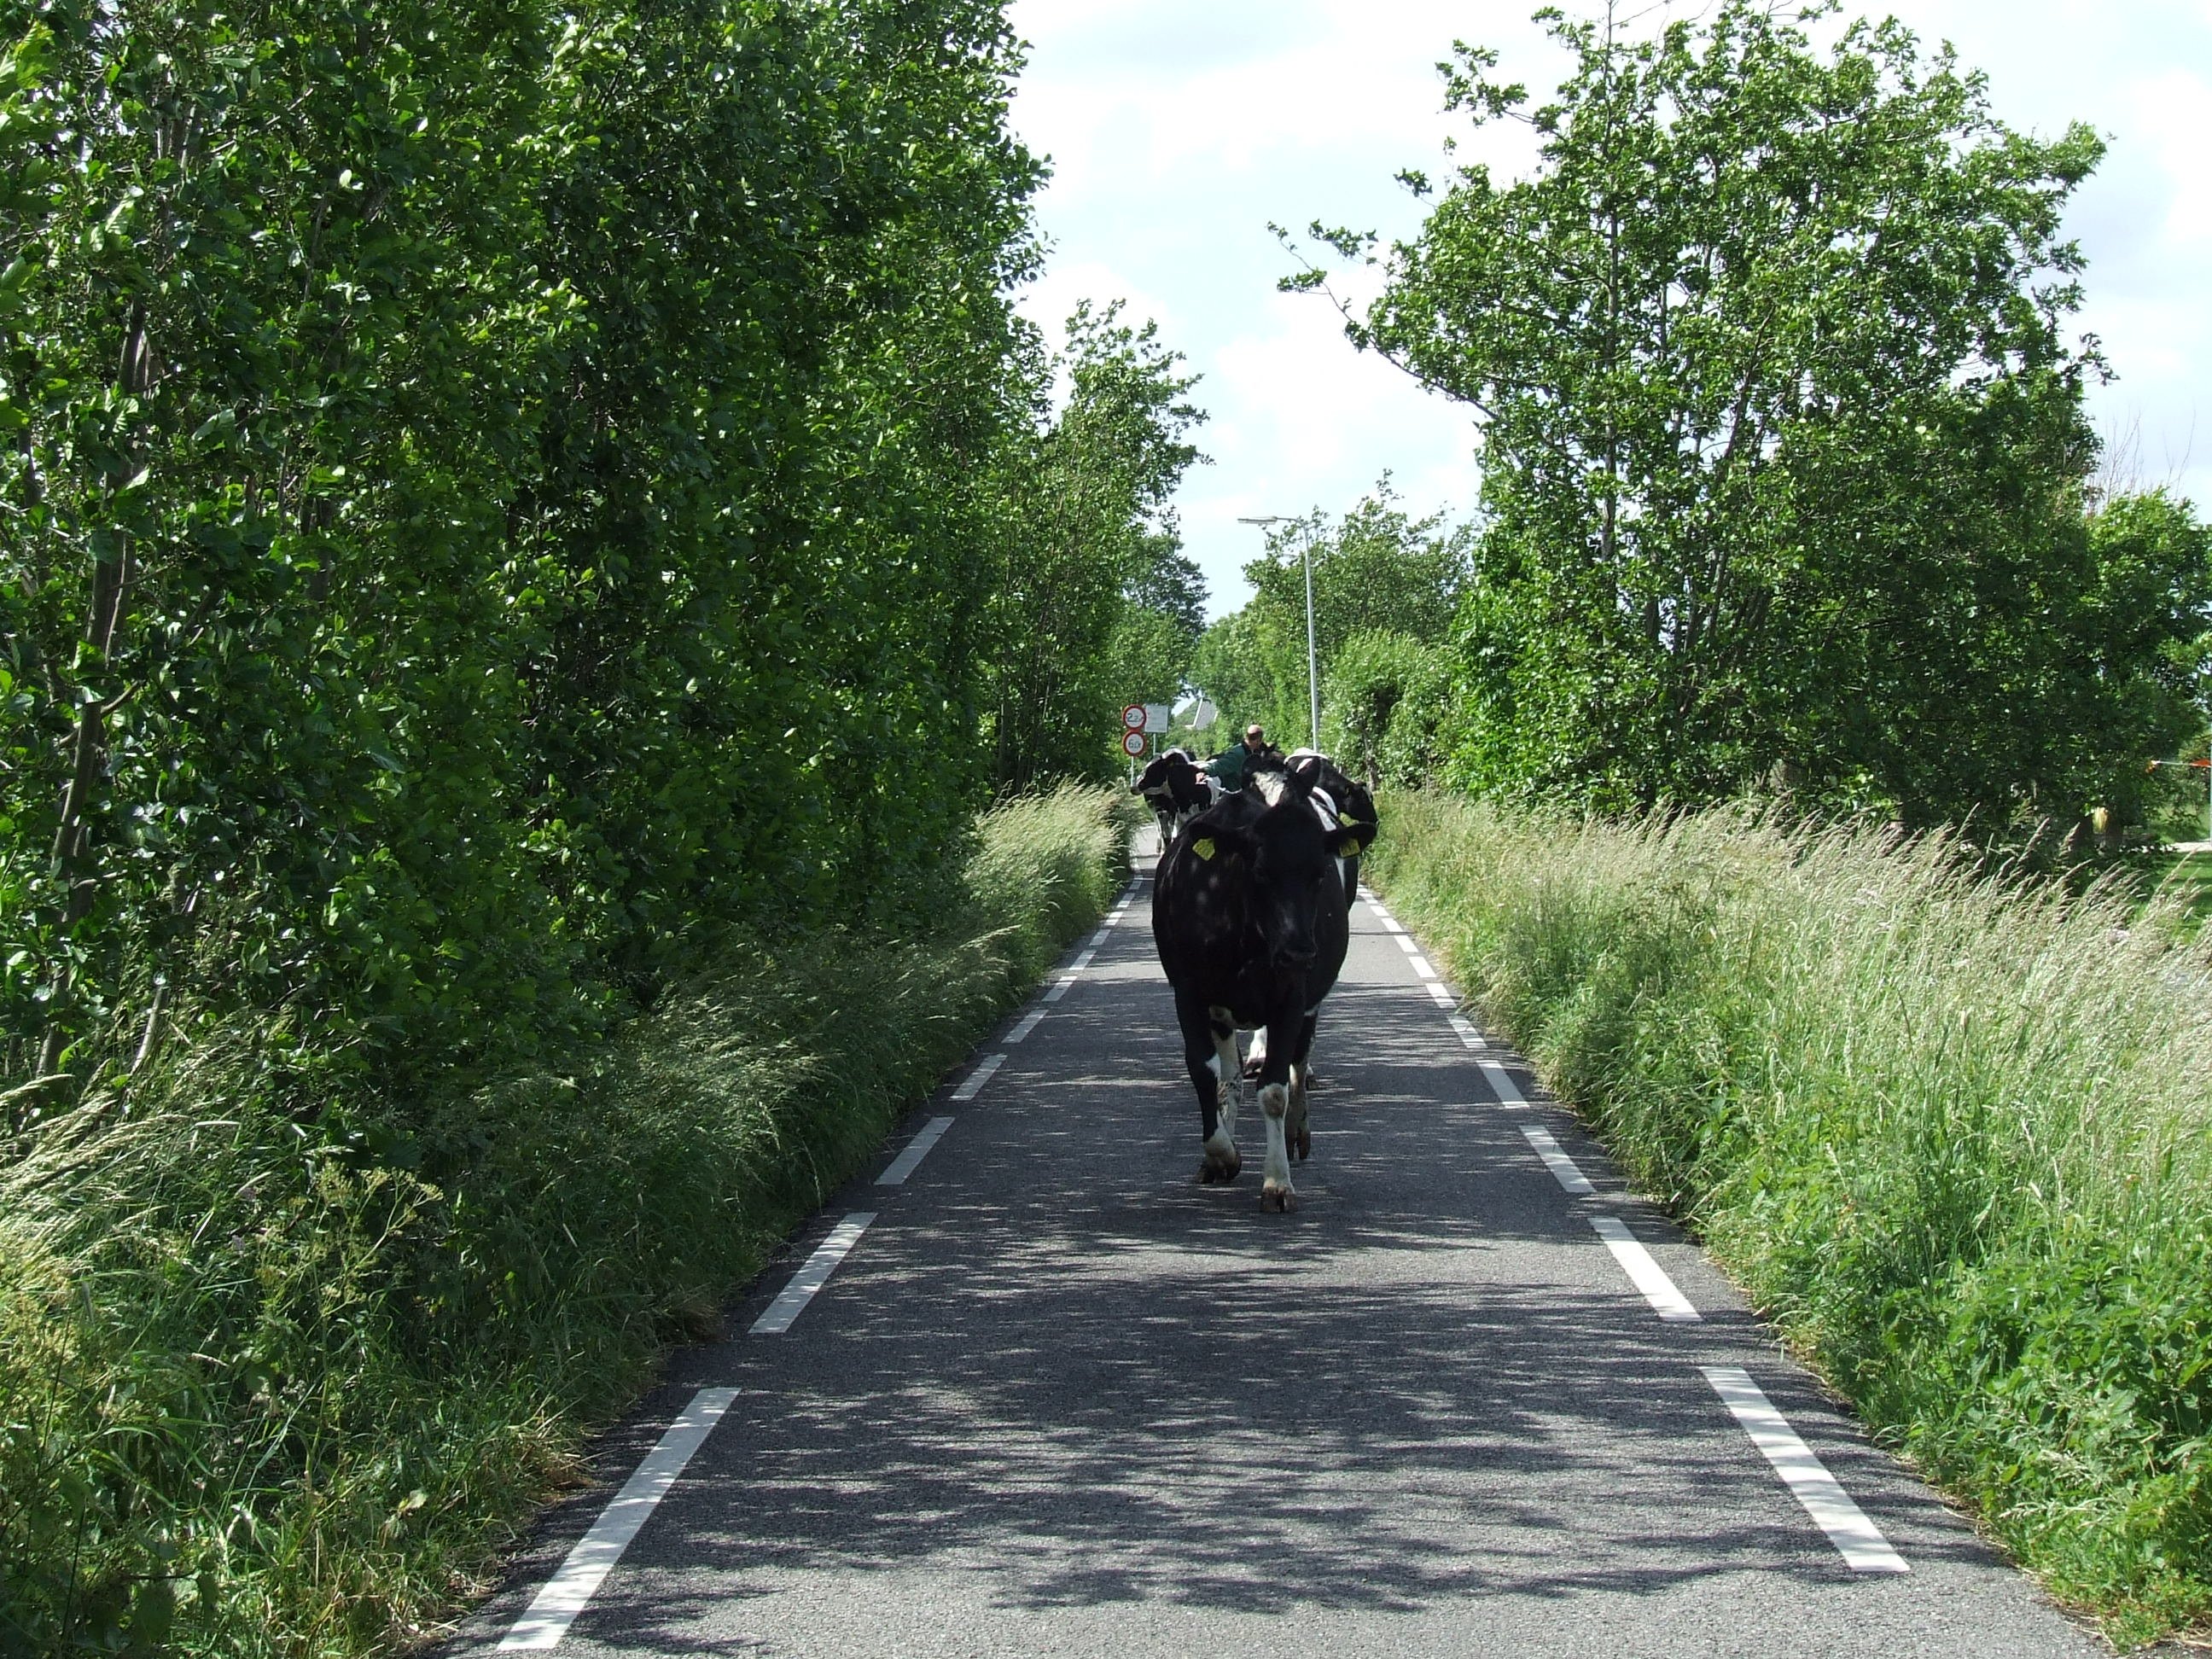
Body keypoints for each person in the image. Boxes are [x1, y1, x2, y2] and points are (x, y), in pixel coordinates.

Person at [1206, 724, 1285, 793]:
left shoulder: (1251, 752)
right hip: (1232, 794)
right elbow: (1218, 766)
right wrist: (1204, 771)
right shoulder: (1238, 753)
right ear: (1258, 740)